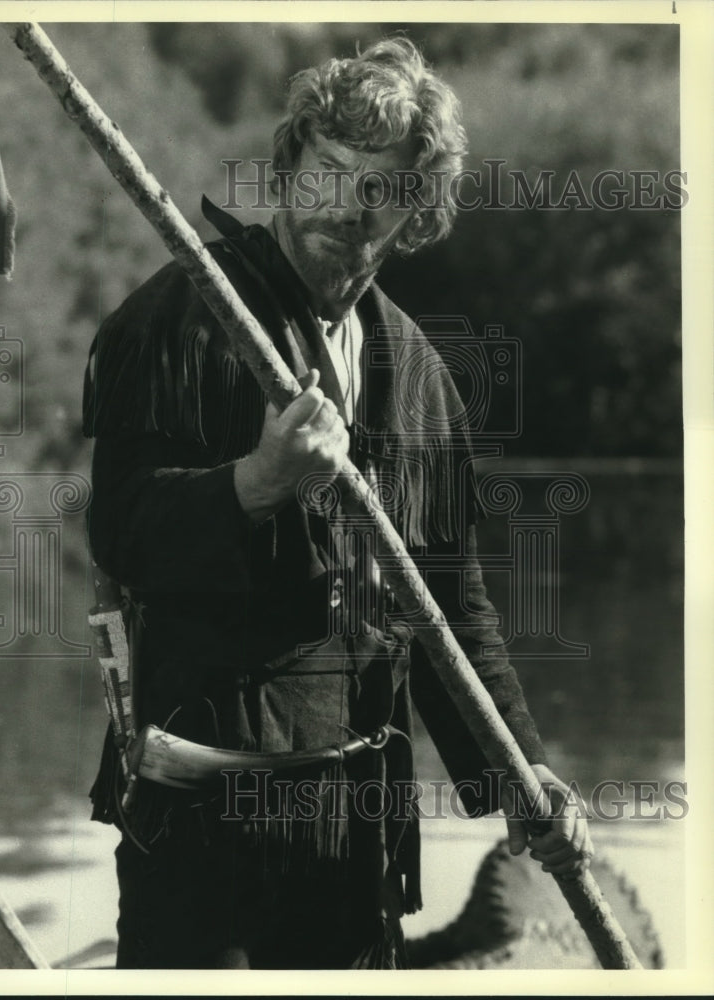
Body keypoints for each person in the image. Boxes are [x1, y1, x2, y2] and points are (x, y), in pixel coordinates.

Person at [83, 37, 592, 970]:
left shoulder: (422, 378)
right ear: (287, 166)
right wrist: (255, 485)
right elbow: (120, 534)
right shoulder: (179, 319)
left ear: (416, 213)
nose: (346, 207)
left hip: (355, 841)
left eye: (382, 188)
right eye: (328, 171)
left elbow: (449, 607)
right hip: (197, 827)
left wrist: (523, 771)